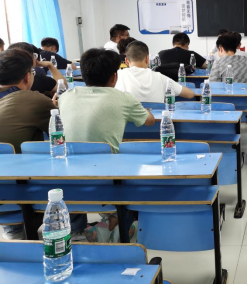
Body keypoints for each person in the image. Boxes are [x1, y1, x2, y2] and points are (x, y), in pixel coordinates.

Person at [0, 49, 57, 240]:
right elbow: (61, 135)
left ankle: (12, 228)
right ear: (26, 76)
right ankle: (75, 226)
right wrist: (53, 107)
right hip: (19, 188)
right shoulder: (33, 99)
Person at [59, 48, 155, 154]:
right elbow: (150, 121)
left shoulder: (65, 96)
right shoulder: (124, 98)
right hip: (109, 162)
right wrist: (145, 110)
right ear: (114, 77)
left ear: (83, 74)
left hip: (70, 160)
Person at [116, 41, 194, 103]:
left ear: (126, 61)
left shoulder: (117, 76)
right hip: (156, 118)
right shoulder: (160, 77)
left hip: (127, 119)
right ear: (147, 59)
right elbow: (190, 94)